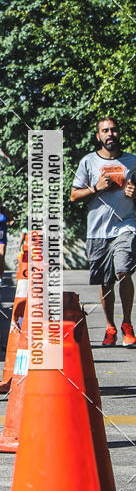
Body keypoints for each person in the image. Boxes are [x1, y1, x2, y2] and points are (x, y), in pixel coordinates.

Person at [71, 117, 136, 346]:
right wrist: (95, 187)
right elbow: (73, 195)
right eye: (105, 130)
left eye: (114, 130)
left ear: (119, 133)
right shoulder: (88, 162)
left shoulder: (133, 161)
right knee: (106, 282)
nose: (110, 134)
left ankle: (127, 324)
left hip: (126, 226)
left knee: (123, 271)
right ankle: (110, 327)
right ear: (98, 136)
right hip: (97, 231)